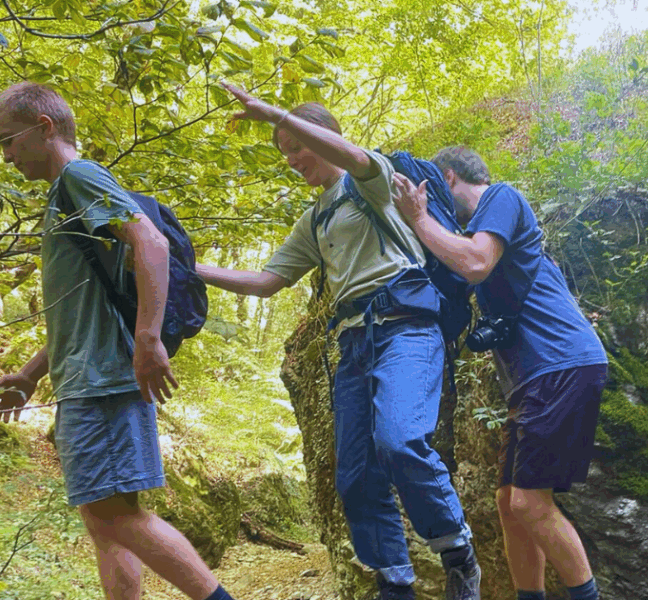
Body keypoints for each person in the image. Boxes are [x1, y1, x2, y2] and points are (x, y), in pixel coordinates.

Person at [193, 83, 480, 600]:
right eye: (284, 151)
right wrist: (187, 268)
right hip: (353, 345)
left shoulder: (371, 180)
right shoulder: (315, 218)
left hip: (407, 327)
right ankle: (394, 582)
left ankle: (457, 553)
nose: (290, 159)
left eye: (295, 146)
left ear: (323, 135)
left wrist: (272, 114)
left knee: (399, 440)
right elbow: (266, 281)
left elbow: (355, 158)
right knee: (355, 476)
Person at [0, 81, 234, 600]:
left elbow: (151, 241)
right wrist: (30, 375)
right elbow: (83, 310)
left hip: (104, 378)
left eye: (8, 140)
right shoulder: (65, 196)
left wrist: (148, 340)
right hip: (87, 376)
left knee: (113, 515)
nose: (5, 155)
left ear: (44, 128)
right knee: (104, 523)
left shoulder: (78, 176)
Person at [391, 146, 609, 600]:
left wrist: (419, 217)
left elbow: (475, 262)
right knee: (510, 504)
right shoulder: (474, 232)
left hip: (559, 364)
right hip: (533, 378)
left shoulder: (501, 196)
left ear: (448, 178)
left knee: (530, 502)